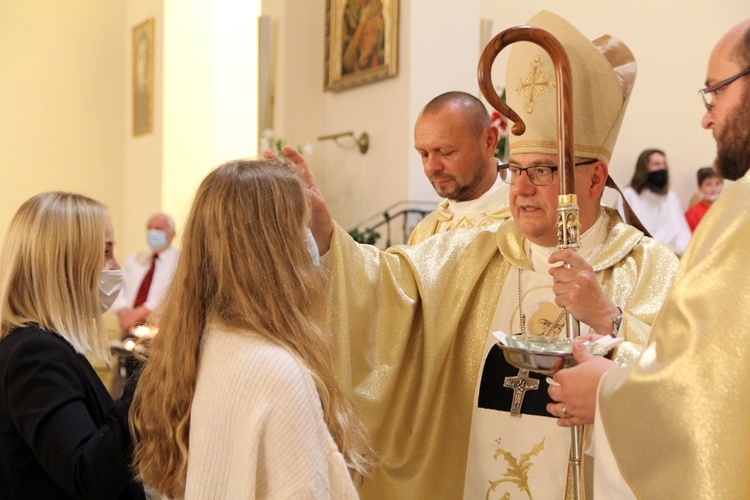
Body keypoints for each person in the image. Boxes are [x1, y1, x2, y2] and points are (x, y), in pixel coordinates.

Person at [266, 11, 679, 499]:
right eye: (516, 168)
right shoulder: (477, 253)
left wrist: (607, 318)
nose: (521, 188)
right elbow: (385, 288)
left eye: (543, 171)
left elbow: (683, 393)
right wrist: (326, 231)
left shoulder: (648, 267)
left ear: (593, 179)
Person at [548, 18, 750, 499]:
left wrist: (608, 394)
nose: (707, 116)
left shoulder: (738, 218)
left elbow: (710, 394)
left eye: (714, 93)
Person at [129, 160, 371, 498]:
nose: (311, 243)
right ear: (275, 251)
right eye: (303, 227)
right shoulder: (278, 373)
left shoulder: (206, 341)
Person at [0, 192, 145, 499]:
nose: (116, 266)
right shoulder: (35, 355)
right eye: (105, 252)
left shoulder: (43, 346)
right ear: (64, 263)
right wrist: (148, 383)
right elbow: (87, 475)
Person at [408, 91, 511, 245]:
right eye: (424, 154)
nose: (431, 167)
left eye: (445, 152)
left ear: (488, 142)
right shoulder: (425, 233)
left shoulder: (527, 221)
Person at [112, 212, 179, 339]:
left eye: (158, 228)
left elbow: (172, 295)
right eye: (150, 228)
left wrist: (138, 314)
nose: (153, 233)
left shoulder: (180, 261)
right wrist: (123, 311)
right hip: (130, 331)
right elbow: (117, 285)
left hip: (161, 334)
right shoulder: (136, 258)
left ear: (172, 234)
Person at [615, 148, 692, 255]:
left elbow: (681, 232)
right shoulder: (629, 195)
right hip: (640, 254)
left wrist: (680, 252)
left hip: (670, 255)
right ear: (643, 168)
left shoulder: (670, 197)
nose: (662, 168)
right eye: (656, 164)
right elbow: (621, 231)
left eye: (664, 164)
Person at [684, 166, 723, 231]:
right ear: (700, 187)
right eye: (708, 184)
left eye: (717, 184)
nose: (713, 189)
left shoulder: (728, 209)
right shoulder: (691, 214)